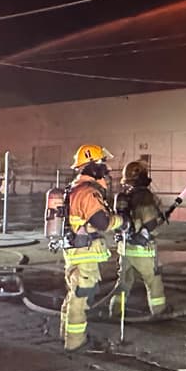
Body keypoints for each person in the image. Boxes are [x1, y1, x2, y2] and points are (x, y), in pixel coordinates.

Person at [57, 144, 123, 352]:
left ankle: (66, 334)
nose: (106, 169)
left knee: (74, 293)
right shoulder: (87, 192)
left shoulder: (75, 189)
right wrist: (121, 221)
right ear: (91, 167)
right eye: (102, 163)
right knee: (82, 296)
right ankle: (76, 343)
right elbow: (102, 222)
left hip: (75, 250)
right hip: (84, 253)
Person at [114, 160, 171, 317]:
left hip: (125, 248)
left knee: (124, 281)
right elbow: (150, 221)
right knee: (153, 281)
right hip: (143, 250)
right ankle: (159, 312)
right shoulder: (145, 197)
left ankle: (115, 310)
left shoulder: (124, 197)